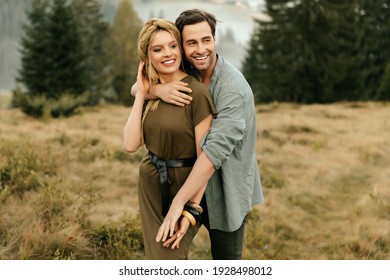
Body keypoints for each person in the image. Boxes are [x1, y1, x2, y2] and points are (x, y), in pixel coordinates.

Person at [135, 9, 264, 260]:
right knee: (169, 256)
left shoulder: (233, 90)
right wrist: (157, 91)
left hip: (226, 189)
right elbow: (137, 87)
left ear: (215, 39)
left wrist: (180, 207)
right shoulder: (185, 69)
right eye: (191, 43)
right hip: (185, 181)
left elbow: (213, 153)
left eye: (206, 40)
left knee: (226, 263)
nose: (201, 49)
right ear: (181, 46)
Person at [123, 18, 215, 260]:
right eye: (158, 49)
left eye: (173, 46)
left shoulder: (196, 94)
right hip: (151, 183)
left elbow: (205, 161)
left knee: (168, 258)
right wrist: (143, 93)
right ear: (147, 56)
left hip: (185, 186)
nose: (168, 54)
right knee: (158, 258)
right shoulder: (151, 89)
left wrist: (191, 212)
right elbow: (131, 145)